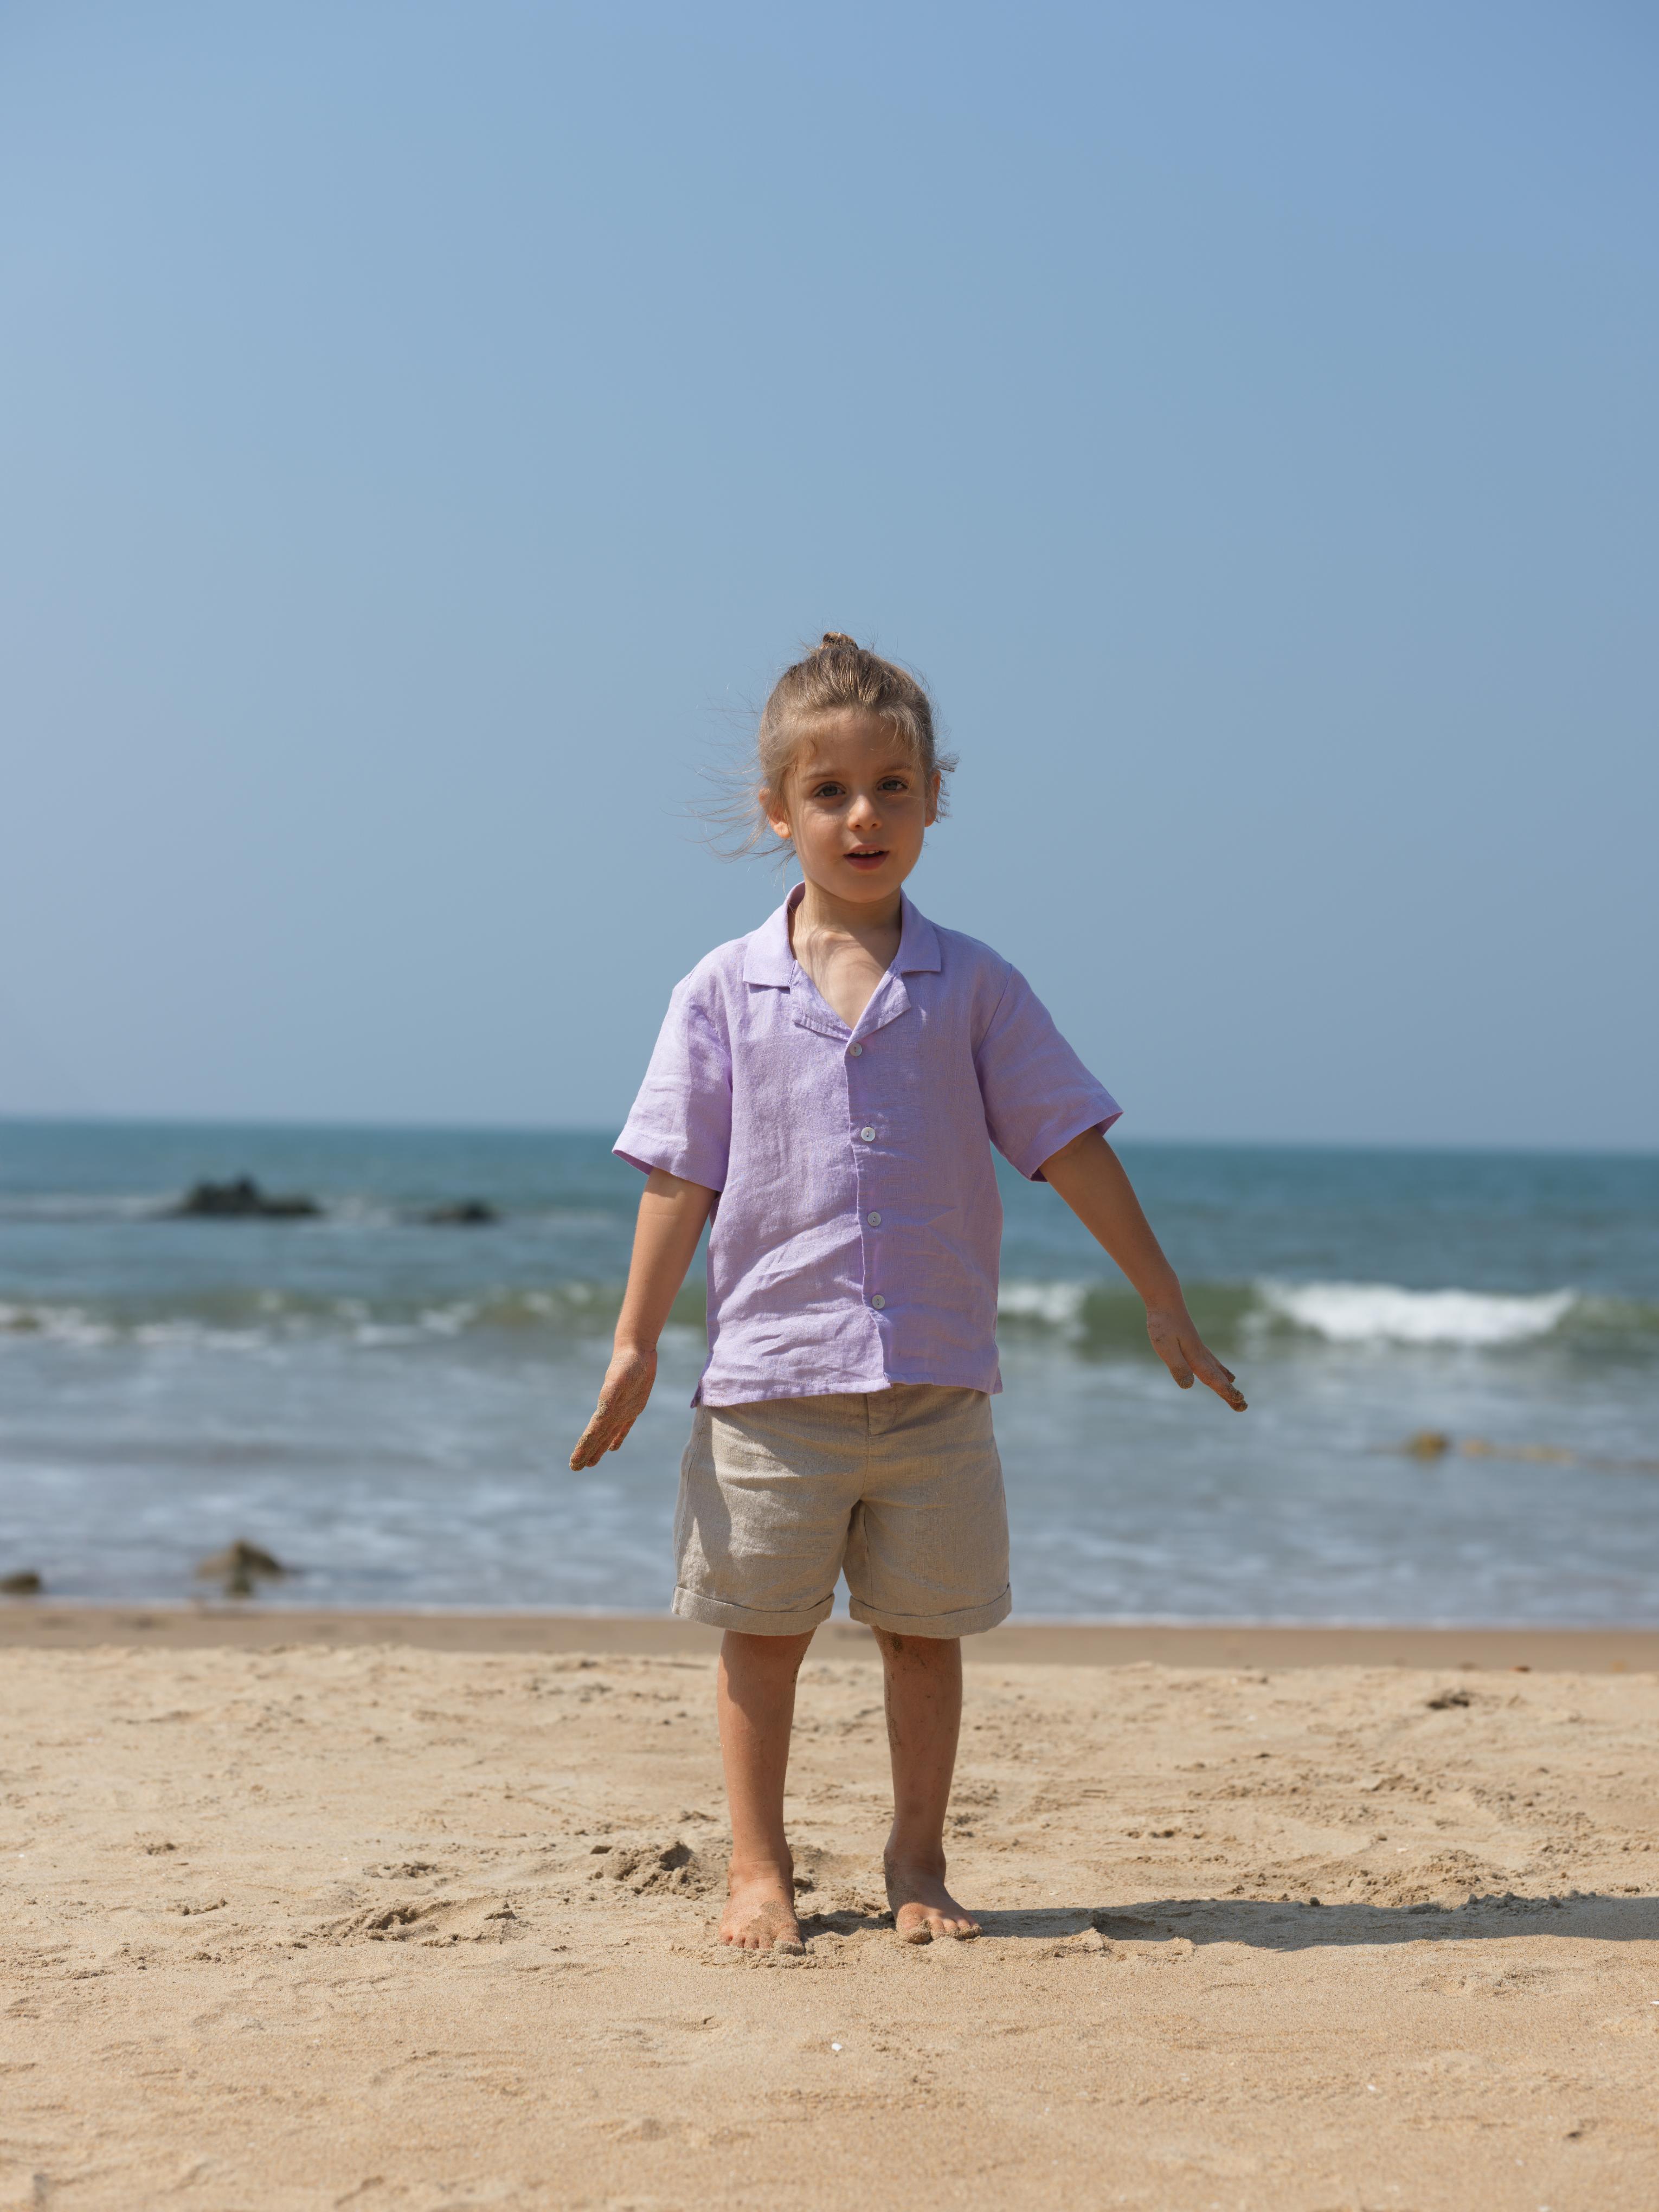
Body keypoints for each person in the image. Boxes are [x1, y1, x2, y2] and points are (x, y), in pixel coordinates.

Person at [569, 633, 1245, 1954]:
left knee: (922, 1637)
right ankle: (757, 1871)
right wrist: (635, 1343)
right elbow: (675, 1175)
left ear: (935, 798)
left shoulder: (977, 986)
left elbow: (1068, 1143)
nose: (862, 815)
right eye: (828, 793)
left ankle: (917, 1857)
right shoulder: (722, 990)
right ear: (779, 813)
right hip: (769, 1384)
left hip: (937, 1382)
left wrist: (1160, 1294)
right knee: (762, 1636)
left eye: (891, 787)